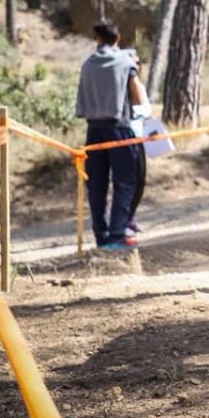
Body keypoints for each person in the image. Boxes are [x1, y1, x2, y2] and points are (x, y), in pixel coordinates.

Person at [76, 20, 147, 249]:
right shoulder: (125, 62)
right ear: (117, 39)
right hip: (120, 128)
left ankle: (101, 236)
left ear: (98, 39)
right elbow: (138, 97)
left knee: (97, 184)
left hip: (94, 129)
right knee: (124, 182)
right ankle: (117, 234)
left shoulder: (88, 64)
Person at [125, 51, 151, 237]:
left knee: (140, 181)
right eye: (132, 64)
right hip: (126, 137)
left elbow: (146, 109)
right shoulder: (120, 89)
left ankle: (130, 217)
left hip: (140, 137)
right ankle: (122, 220)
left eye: (138, 63)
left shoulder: (140, 86)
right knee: (127, 182)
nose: (136, 67)